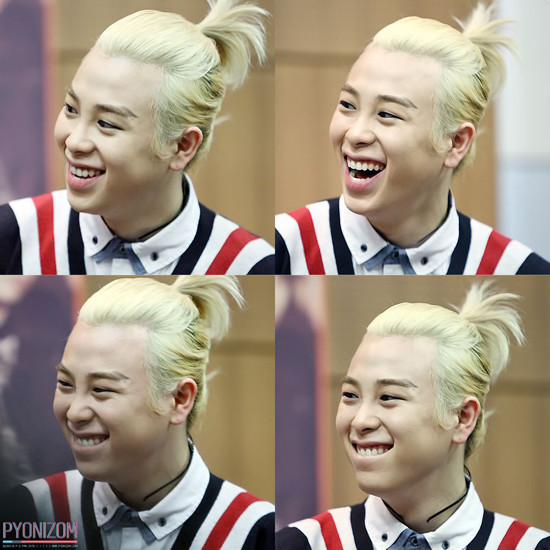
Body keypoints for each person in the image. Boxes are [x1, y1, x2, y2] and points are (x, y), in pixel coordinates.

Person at [0, 0, 274, 275]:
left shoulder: (251, 264)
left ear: (182, 146)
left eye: (106, 123)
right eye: (71, 108)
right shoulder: (13, 234)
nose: (74, 142)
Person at [275, 3, 550, 275]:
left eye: (386, 114)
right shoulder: (284, 248)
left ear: (456, 142)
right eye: (348, 105)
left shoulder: (518, 271)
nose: (355, 134)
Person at [5, 276, 274, 549]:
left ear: (179, 399)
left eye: (101, 389)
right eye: (65, 383)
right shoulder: (32, 513)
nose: (75, 412)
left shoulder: (253, 535)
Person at [276, 283, 549, 548]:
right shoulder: (303, 543)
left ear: (462, 417)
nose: (360, 421)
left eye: (388, 397)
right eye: (350, 395)